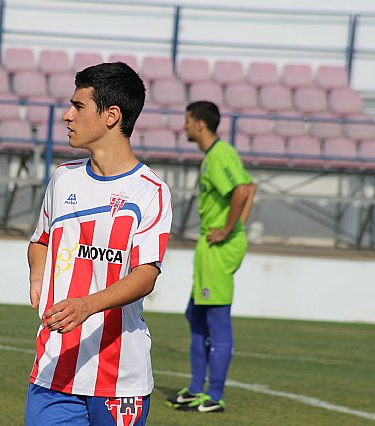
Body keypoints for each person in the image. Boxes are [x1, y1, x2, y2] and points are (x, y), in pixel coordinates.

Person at [25, 62, 173, 426]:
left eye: (78, 106)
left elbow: (146, 276)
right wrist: (38, 277)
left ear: (111, 116)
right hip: (54, 367)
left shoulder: (150, 191)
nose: (66, 116)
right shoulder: (63, 179)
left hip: (119, 376)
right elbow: (40, 241)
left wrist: (86, 306)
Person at [167, 101, 255, 413]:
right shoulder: (213, 156)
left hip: (218, 245)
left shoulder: (220, 154)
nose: (185, 126)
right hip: (211, 244)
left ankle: (214, 395)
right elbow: (250, 186)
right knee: (196, 315)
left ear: (200, 124)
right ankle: (195, 388)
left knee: (216, 320)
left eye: (188, 120)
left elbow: (242, 191)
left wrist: (228, 230)